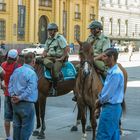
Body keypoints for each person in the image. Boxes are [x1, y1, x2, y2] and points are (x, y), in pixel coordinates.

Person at [72, 20, 110, 101]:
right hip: (89, 59)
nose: (90, 30)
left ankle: (108, 91)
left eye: (92, 29)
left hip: (100, 59)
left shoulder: (105, 39)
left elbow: (105, 53)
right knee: (77, 68)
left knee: (104, 71)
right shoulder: (90, 38)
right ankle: (76, 92)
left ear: (98, 29)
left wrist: (94, 59)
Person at [95, 48, 124, 140]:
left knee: (103, 135)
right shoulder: (112, 71)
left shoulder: (115, 74)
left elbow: (107, 95)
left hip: (110, 109)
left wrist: (98, 102)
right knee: (114, 135)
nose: (102, 58)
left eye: (105, 56)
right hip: (114, 108)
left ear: (112, 57)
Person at [8, 52, 38, 140]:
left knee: (16, 127)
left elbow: (10, 85)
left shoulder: (17, 70)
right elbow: (30, 89)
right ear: (33, 61)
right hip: (26, 104)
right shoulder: (32, 73)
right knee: (26, 129)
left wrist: (13, 95)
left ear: (25, 60)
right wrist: (20, 97)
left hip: (15, 103)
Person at [42, 23, 69, 95]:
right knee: (38, 61)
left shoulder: (60, 38)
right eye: (49, 30)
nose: (49, 32)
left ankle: (54, 87)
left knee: (55, 70)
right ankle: (48, 64)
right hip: (49, 58)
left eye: (51, 30)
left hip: (58, 58)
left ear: (55, 30)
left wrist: (62, 58)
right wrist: (43, 54)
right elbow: (45, 50)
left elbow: (66, 48)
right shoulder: (48, 39)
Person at [1, 49, 21, 140]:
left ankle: (8, 137)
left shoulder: (3, 65)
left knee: (7, 118)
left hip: (6, 94)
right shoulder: (18, 66)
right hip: (14, 95)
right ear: (16, 57)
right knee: (16, 118)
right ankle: (16, 137)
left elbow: (2, 78)